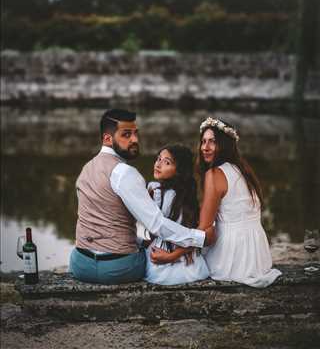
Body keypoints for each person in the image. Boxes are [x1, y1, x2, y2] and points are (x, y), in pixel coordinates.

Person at [69, 109, 214, 285]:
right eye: (126, 135)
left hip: (80, 264)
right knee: (157, 258)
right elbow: (157, 224)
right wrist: (200, 238)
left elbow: (104, 225)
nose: (135, 140)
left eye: (135, 133)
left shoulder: (86, 169)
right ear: (107, 139)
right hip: (117, 268)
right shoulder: (125, 173)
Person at [151, 117, 281, 288]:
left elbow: (202, 232)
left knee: (193, 262)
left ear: (225, 144)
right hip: (258, 255)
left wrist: (172, 256)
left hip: (233, 257)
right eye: (203, 141)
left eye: (212, 142)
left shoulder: (214, 174)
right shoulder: (242, 169)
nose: (205, 147)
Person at [143, 144, 210, 285]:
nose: (158, 164)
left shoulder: (159, 192)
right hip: (191, 266)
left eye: (167, 162)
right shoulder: (187, 195)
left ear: (179, 170)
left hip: (163, 266)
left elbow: (156, 228)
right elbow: (194, 235)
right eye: (158, 159)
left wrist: (170, 256)